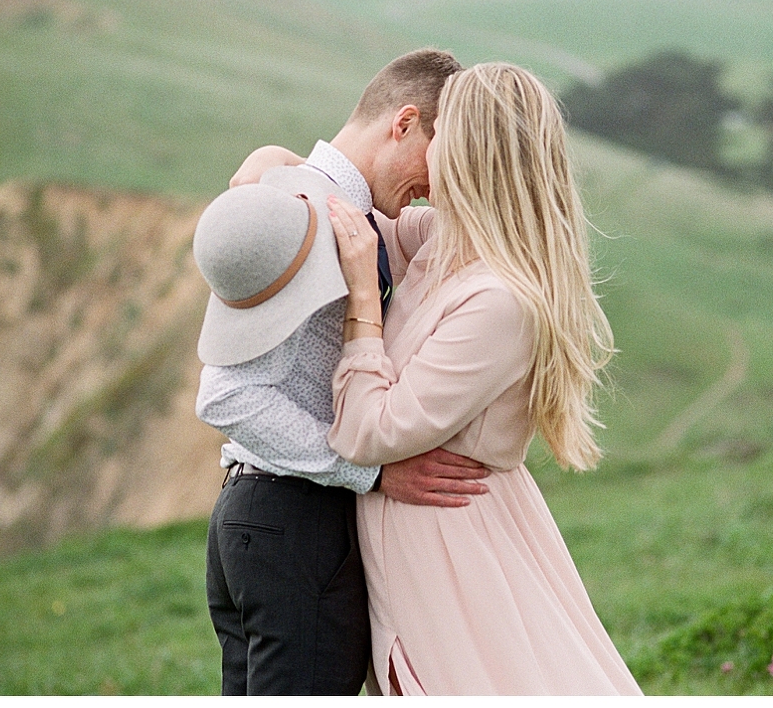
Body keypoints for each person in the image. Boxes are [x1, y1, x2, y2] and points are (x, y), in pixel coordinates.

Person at [323, 62, 643, 695]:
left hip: (452, 551)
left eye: (439, 131)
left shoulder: (499, 302)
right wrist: (276, 167)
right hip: (432, 541)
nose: (428, 143)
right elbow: (364, 215)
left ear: (467, 151)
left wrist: (364, 298)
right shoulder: (450, 244)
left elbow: (369, 432)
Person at [193, 49, 491, 696]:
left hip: (266, 520)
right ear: (405, 122)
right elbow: (227, 394)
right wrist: (373, 472)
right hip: (292, 520)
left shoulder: (333, 207)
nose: (437, 185)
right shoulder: (304, 215)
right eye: (439, 154)